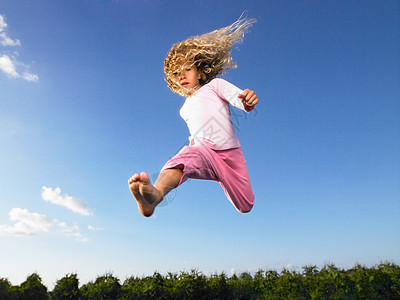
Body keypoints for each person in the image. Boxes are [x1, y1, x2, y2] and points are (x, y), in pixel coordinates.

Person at [128, 16, 259, 217]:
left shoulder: (214, 86)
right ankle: (154, 196)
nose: (182, 76)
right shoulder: (184, 108)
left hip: (230, 155)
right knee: (182, 161)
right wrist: (195, 149)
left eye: (187, 69)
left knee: (245, 204)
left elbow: (237, 97)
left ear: (199, 72)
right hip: (203, 152)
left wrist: (246, 100)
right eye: (176, 74)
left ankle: (160, 192)